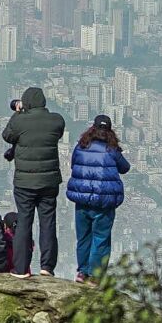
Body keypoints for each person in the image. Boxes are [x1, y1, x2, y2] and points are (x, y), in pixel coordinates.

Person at [1, 85, 66, 276]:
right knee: (48, 223)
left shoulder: (20, 121)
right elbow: (57, 133)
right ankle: (47, 267)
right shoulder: (56, 120)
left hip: (25, 183)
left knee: (24, 223)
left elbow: (7, 135)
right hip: (49, 182)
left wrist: (18, 112)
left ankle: (21, 269)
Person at [66, 113, 131, 281]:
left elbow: (74, 164)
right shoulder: (112, 150)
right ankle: (95, 276)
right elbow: (125, 168)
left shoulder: (81, 146)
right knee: (101, 239)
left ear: (92, 129)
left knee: (83, 237)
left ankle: (82, 272)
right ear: (109, 131)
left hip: (82, 200)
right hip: (104, 202)